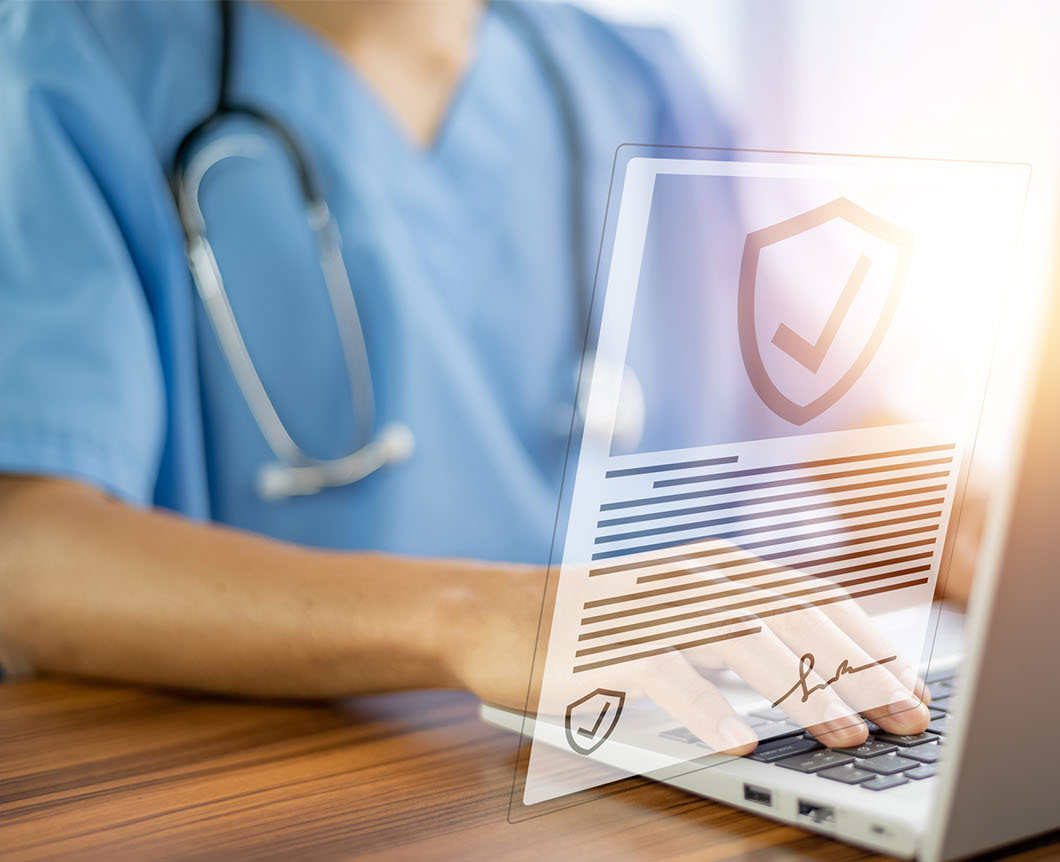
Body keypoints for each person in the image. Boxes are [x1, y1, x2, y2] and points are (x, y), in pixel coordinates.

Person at [0, 0, 932, 755]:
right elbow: (27, 558)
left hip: (699, 746)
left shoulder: (639, 79)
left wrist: (972, 518)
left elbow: (848, 430)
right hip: (315, 785)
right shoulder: (60, 63)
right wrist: (475, 617)